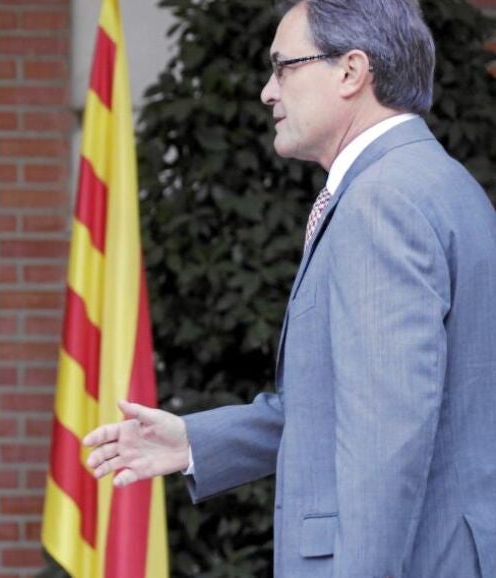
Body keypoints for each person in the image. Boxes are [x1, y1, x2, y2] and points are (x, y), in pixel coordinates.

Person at [83, 0, 496, 576]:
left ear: (351, 71)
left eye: (284, 67)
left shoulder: (382, 200)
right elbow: (365, 403)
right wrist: (195, 442)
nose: (267, 92)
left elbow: (386, 440)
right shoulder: (438, 182)